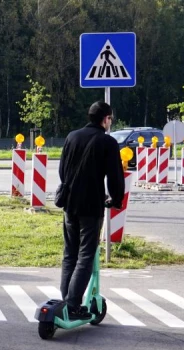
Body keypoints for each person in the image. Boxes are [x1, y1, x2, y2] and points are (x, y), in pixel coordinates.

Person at [58, 101, 125, 320]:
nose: (110, 123)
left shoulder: (72, 136)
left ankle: (65, 300)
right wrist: (116, 199)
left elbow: (62, 171)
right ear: (105, 119)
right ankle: (73, 304)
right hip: (91, 206)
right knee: (86, 255)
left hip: (69, 204)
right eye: (110, 119)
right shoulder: (107, 142)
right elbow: (115, 176)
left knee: (70, 254)